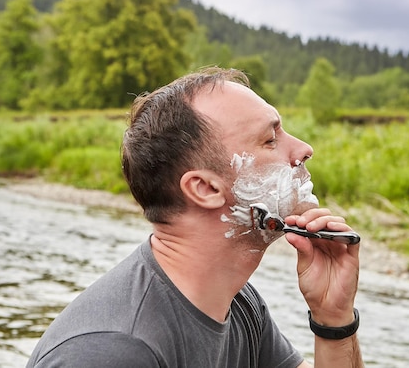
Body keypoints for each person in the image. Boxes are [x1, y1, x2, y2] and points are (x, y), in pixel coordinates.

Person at [27, 67, 363, 367]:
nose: (304, 148)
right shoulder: (113, 352)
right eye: (270, 139)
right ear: (204, 188)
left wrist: (334, 320)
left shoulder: (238, 304)